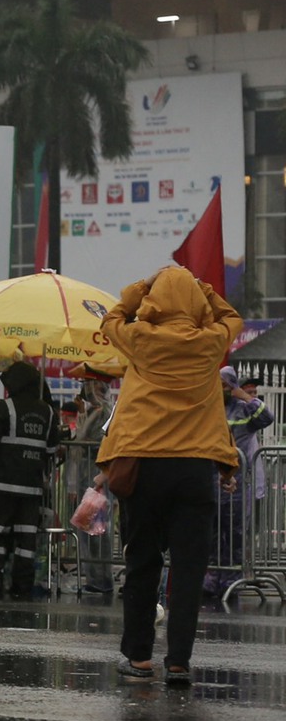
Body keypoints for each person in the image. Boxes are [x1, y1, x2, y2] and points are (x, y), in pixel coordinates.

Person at [99, 266, 242, 685]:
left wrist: (140, 288)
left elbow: (111, 319)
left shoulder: (140, 339)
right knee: (189, 566)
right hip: (195, 468)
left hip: (144, 464)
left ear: (154, 301)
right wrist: (205, 291)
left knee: (142, 561)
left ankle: (139, 656)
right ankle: (178, 661)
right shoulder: (210, 342)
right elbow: (231, 317)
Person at [0, 362, 60, 599]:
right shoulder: (49, 413)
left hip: (3, 484)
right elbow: (52, 451)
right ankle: (22, 586)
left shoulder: (7, 408)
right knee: (26, 538)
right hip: (32, 488)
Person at [216, 368, 272, 594]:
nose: (223, 389)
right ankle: (212, 577)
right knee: (212, 530)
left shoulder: (242, 409)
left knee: (236, 533)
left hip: (238, 483)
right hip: (213, 479)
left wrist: (245, 396)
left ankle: (232, 579)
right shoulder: (210, 408)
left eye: (227, 385)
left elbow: (267, 417)